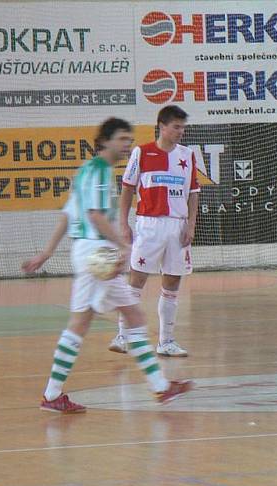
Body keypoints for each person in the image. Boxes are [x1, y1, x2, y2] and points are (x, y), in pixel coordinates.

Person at [22, 118, 193, 413]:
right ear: (105, 141)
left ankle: (159, 388)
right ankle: (158, 388)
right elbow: (95, 216)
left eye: (129, 139)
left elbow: (67, 214)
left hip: (87, 253)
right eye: (123, 139)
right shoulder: (100, 170)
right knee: (109, 319)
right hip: (96, 255)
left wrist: (46, 253)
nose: (127, 144)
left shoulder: (85, 170)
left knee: (125, 316)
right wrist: (125, 246)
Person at [108, 105, 200, 357]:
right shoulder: (142, 152)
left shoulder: (187, 155)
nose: (181, 132)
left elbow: (193, 194)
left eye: (183, 127)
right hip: (149, 224)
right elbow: (127, 188)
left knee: (172, 283)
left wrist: (191, 224)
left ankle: (166, 341)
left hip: (177, 225)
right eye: (176, 127)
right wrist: (123, 223)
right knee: (136, 280)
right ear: (162, 126)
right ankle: (123, 336)